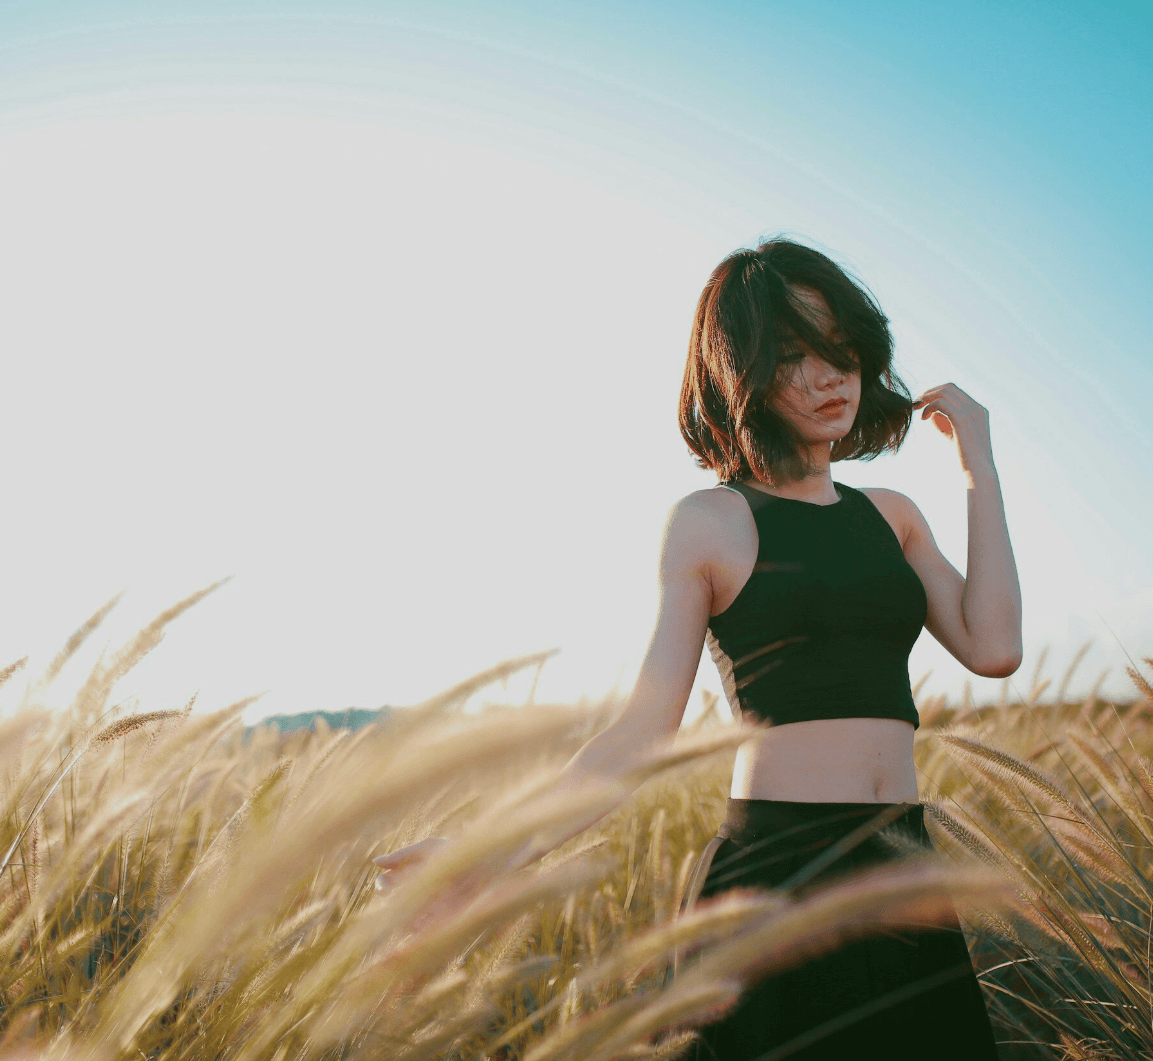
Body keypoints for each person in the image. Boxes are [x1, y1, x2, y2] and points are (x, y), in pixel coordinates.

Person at [374, 236, 1022, 1060]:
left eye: (842, 352)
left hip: (904, 863)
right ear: (740, 374)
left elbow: (994, 646)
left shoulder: (892, 515)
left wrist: (980, 467)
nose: (830, 378)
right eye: (794, 356)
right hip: (776, 880)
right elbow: (641, 733)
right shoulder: (710, 523)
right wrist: (480, 856)